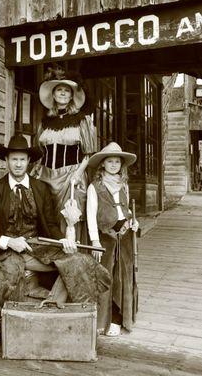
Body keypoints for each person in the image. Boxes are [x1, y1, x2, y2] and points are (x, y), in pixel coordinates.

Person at [0, 134, 111, 313]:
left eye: (22, 159)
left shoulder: (41, 188)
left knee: (79, 261)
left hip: (36, 247)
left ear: (29, 161)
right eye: (14, 159)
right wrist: (8, 241)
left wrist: (62, 240)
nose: (18, 164)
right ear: (6, 160)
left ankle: (59, 310)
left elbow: (50, 224)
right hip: (6, 251)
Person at [32, 66, 96, 242]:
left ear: (71, 96)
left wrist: (78, 173)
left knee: (68, 218)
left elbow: (89, 153)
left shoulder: (83, 120)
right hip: (45, 175)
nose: (62, 93)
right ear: (53, 95)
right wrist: (37, 170)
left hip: (71, 176)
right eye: (59, 90)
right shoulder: (45, 121)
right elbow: (39, 149)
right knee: (46, 217)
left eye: (66, 91)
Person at [86, 142, 139, 337]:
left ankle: (118, 318)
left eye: (117, 161)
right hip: (105, 237)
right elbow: (91, 215)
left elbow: (127, 210)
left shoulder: (123, 185)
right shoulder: (95, 187)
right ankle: (102, 320)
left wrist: (134, 222)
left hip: (124, 235)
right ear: (103, 164)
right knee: (105, 276)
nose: (114, 165)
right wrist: (95, 241)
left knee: (122, 276)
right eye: (110, 161)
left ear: (121, 165)